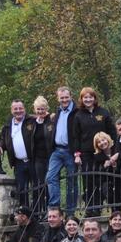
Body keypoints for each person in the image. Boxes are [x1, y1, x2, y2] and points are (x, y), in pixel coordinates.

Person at [0, 100, 36, 209]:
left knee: (37, 187)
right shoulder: (7, 126)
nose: (18, 111)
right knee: (21, 189)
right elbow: (3, 140)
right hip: (18, 163)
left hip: (33, 160)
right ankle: (24, 212)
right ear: (11, 110)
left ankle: (37, 212)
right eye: (15, 109)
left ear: (24, 109)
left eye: (20, 108)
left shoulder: (32, 121)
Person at [46, 87, 80, 216]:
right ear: (58, 98)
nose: (64, 100)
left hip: (70, 151)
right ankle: (54, 207)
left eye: (66, 97)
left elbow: (78, 134)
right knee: (50, 177)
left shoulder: (77, 112)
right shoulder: (58, 111)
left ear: (71, 96)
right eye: (61, 98)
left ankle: (70, 212)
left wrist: (77, 153)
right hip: (56, 151)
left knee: (71, 181)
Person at [30, 95, 53, 206]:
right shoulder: (33, 122)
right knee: (40, 183)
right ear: (35, 109)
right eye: (38, 109)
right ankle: (40, 207)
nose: (40, 111)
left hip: (50, 156)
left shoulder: (51, 120)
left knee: (50, 181)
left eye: (42, 109)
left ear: (46, 108)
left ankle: (51, 206)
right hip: (38, 157)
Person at [85, 131, 115, 216]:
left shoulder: (116, 149)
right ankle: (95, 210)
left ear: (107, 139)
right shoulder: (97, 156)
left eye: (103, 140)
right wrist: (105, 167)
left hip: (119, 179)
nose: (102, 143)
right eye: (99, 142)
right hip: (105, 182)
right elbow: (97, 174)